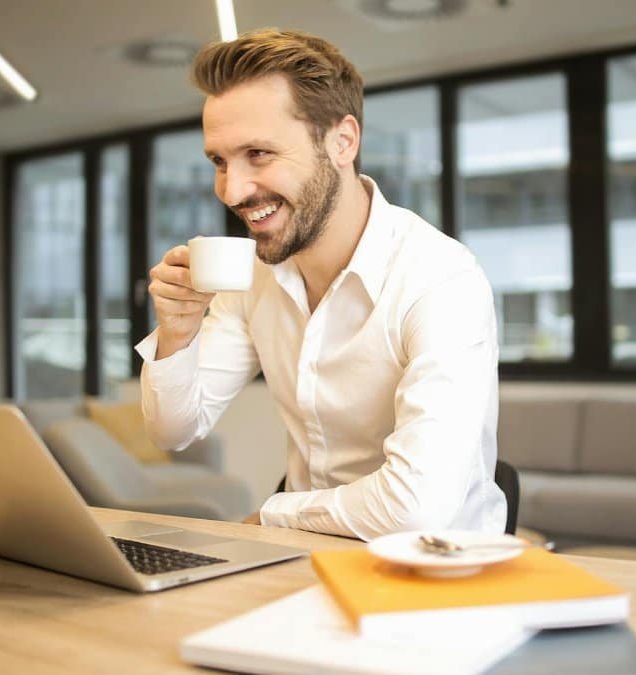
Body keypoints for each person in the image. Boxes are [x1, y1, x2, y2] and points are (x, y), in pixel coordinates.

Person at [135, 28, 505, 540]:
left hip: (434, 573)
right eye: (220, 162)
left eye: (258, 154)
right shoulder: (256, 278)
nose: (233, 190)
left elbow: (416, 509)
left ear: (342, 141)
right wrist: (177, 334)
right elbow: (173, 430)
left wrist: (274, 512)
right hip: (303, 563)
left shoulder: (441, 278)